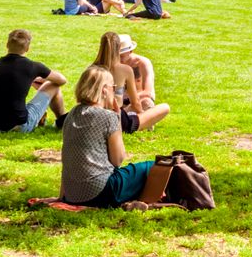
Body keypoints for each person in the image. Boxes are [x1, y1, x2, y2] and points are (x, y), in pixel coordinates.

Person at [60, 65, 172, 209]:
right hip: (101, 192)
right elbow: (117, 160)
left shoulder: (72, 114)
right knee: (155, 166)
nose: (116, 91)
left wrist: (62, 196)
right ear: (104, 90)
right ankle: (144, 203)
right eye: (114, 87)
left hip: (72, 195)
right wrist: (117, 119)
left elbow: (67, 158)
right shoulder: (108, 117)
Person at [0, 28, 69, 134]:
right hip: (18, 125)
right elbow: (62, 80)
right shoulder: (32, 66)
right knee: (52, 85)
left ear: (7, 45)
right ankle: (61, 121)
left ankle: (58, 121)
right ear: (27, 48)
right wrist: (38, 79)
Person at [96, 32, 170, 131]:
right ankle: (141, 121)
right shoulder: (113, 66)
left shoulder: (142, 63)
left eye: (122, 56)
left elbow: (148, 92)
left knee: (147, 103)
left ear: (131, 51)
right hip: (118, 106)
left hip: (135, 101)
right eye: (117, 56)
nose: (119, 59)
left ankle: (137, 119)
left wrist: (127, 100)